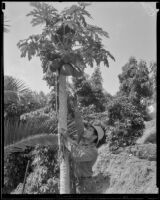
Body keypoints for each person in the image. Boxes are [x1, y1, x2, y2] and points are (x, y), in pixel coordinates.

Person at [64, 122, 105, 194]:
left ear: (94, 137)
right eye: (87, 129)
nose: (86, 130)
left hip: (86, 185)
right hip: (78, 183)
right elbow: (74, 145)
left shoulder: (93, 151)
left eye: (89, 130)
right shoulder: (83, 146)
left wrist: (65, 140)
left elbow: (76, 155)